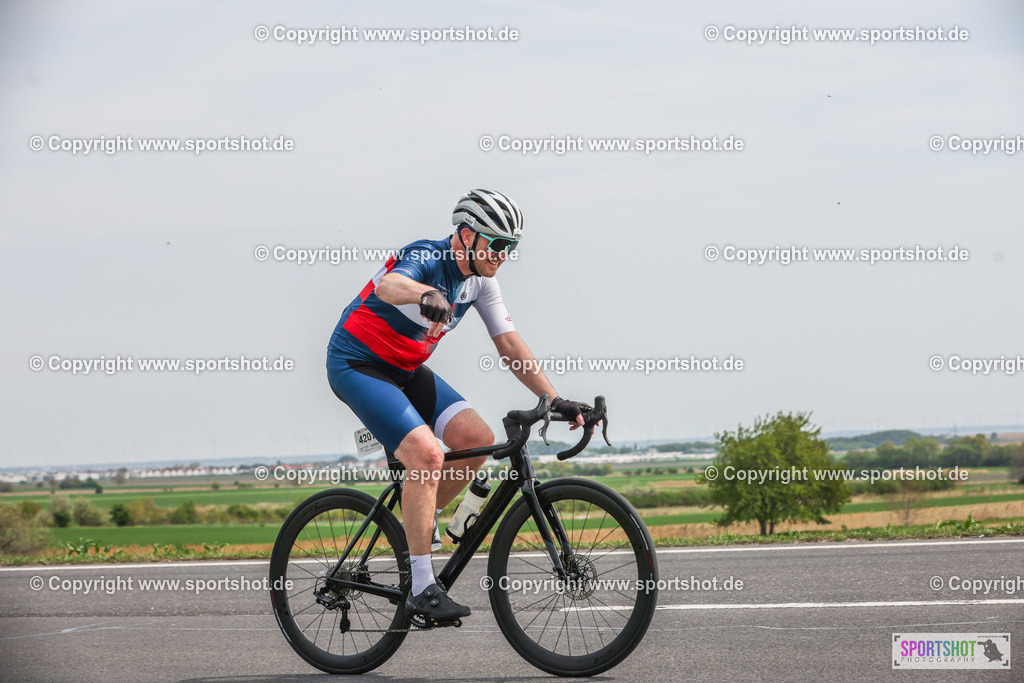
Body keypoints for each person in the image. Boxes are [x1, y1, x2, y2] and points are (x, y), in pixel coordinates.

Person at [326, 189, 591, 622]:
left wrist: (553, 398)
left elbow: (509, 343)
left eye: (511, 247)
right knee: (427, 455)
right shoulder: (427, 255)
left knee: (477, 438)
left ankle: (419, 523)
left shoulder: (481, 283)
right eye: (497, 244)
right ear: (467, 235)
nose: (503, 255)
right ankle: (421, 587)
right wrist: (424, 293)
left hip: (405, 370)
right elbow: (388, 284)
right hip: (356, 363)